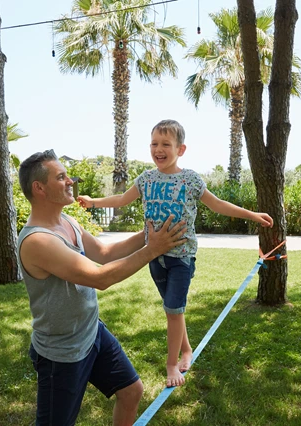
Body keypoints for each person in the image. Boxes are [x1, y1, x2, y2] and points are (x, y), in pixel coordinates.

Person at [77, 119, 274, 388]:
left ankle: (172, 365)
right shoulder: (145, 179)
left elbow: (217, 204)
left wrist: (251, 214)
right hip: (154, 257)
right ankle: (187, 350)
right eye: (154, 143)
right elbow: (122, 199)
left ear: (180, 149)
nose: (159, 149)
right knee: (175, 311)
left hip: (181, 258)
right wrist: (93, 201)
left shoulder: (190, 179)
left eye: (165, 144)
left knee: (172, 310)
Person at [17, 149, 187, 426]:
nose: (70, 180)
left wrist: (149, 234)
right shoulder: (38, 241)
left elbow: (105, 253)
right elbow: (100, 278)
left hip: (91, 331)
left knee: (132, 392)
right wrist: (153, 249)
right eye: (61, 177)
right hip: (62, 352)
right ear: (40, 188)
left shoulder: (67, 221)